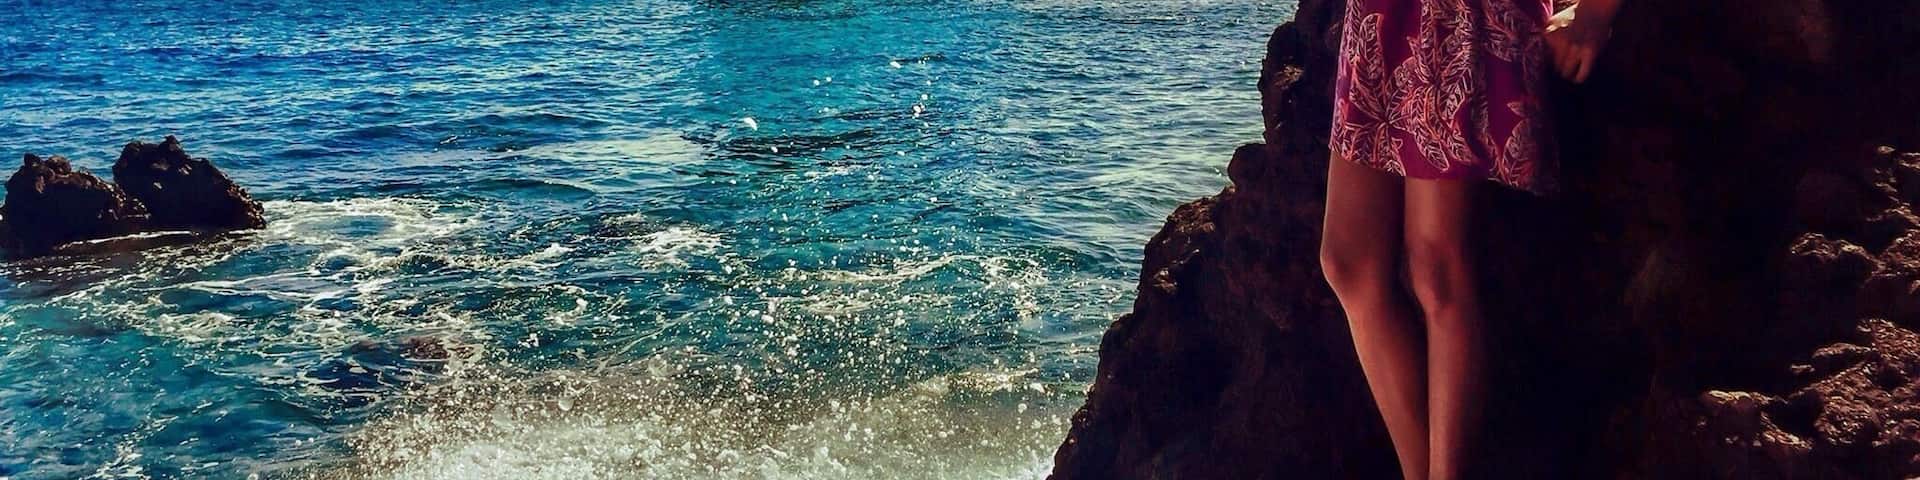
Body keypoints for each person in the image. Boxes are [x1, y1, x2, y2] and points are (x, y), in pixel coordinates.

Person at [1317, 0, 1623, 478]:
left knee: (1436, 269)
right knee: (1348, 262)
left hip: (1460, 19)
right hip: (1379, 16)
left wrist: (1596, 13)